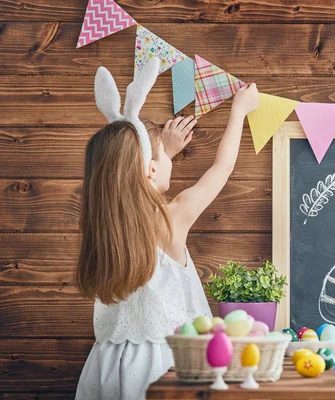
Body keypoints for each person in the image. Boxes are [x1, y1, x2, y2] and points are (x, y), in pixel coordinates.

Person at [75, 60, 259, 399]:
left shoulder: (103, 231)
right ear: (150, 170)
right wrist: (240, 111)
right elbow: (223, 166)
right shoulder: (173, 218)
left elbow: (132, 179)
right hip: (167, 368)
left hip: (107, 367)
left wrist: (162, 154)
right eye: (164, 158)